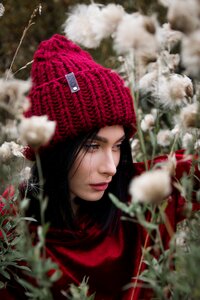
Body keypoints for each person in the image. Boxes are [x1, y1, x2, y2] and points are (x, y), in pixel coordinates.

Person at [1, 34, 199, 300]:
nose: (111, 168)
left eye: (118, 146)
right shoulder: (12, 224)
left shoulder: (148, 190)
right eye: (92, 146)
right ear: (53, 150)